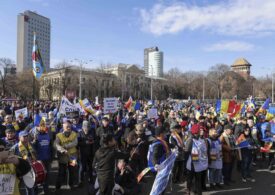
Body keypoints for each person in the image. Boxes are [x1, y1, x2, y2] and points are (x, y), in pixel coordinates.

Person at [55, 120, 79, 190]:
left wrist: (65, 146)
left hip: (73, 156)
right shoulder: (58, 135)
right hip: (63, 156)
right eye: (67, 127)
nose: (68, 128)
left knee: (73, 171)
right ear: (63, 127)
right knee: (61, 172)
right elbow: (57, 145)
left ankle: (71, 185)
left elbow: (75, 143)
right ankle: (58, 186)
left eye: (69, 126)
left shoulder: (74, 134)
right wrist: (62, 150)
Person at [185, 124, 208, 195]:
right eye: (199, 130)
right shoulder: (190, 140)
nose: (200, 132)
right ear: (196, 132)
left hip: (199, 163)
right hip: (191, 163)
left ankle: (198, 192)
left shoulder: (201, 140)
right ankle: (188, 191)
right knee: (190, 179)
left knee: (198, 179)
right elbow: (186, 152)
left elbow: (204, 151)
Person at [32, 120, 52, 195]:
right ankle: (35, 192)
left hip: (47, 158)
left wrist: (51, 157)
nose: (43, 127)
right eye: (42, 126)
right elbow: (32, 148)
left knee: (46, 175)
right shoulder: (35, 135)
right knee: (37, 176)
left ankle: (46, 191)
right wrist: (34, 142)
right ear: (39, 127)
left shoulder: (49, 134)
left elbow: (51, 146)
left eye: (45, 126)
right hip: (38, 160)